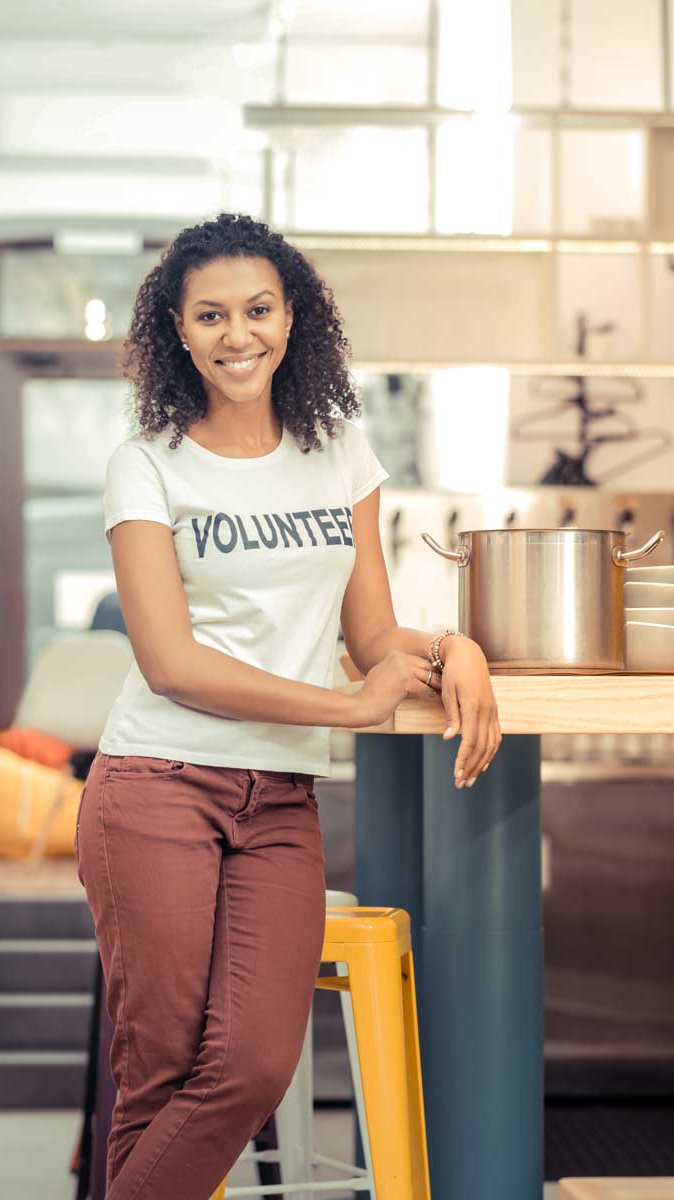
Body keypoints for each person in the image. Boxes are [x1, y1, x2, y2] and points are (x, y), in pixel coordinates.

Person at [75, 212, 501, 1200]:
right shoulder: (144, 462)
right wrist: (344, 711)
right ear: (175, 331)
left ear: (290, 314)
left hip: (277, 801)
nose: (238, 335)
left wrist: (452, 647)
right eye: (211, 315)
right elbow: (171, 662)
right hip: (157, 787)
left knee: (254, 1067)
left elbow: (370, 637)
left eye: (257, 309)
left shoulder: (338, 449)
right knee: (162, 1077)